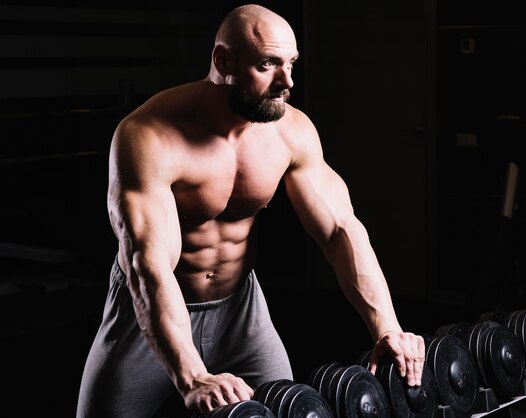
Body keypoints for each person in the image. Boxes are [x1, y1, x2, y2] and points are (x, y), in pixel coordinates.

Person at [77, 4, 425, 417]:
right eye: (268, 65)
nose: (287, 81)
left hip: (241, 311)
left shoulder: (291, 133)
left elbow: (339, 230)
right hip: (149, 309)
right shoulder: (148, 136)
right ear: (223, 61)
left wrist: (386, 326)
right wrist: (192, 376)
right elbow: (146, 265)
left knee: (291, 411)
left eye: (291, 64)